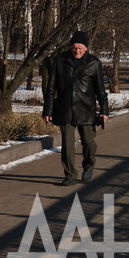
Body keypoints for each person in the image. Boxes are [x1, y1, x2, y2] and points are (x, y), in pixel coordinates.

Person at [43, 31, 110, 186]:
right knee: (67, 144)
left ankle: (88, 166)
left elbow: (100, 90)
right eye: (74, 47)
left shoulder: (94, 62)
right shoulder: (60, 60)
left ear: (86, 48)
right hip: (65, 109)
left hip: (86, 110)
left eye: (80, 48)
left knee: (88, 142)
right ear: (70, 46)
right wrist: (47, 110)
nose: (77, 51)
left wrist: (104, 111)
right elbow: (51, 87)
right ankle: (70, 175)